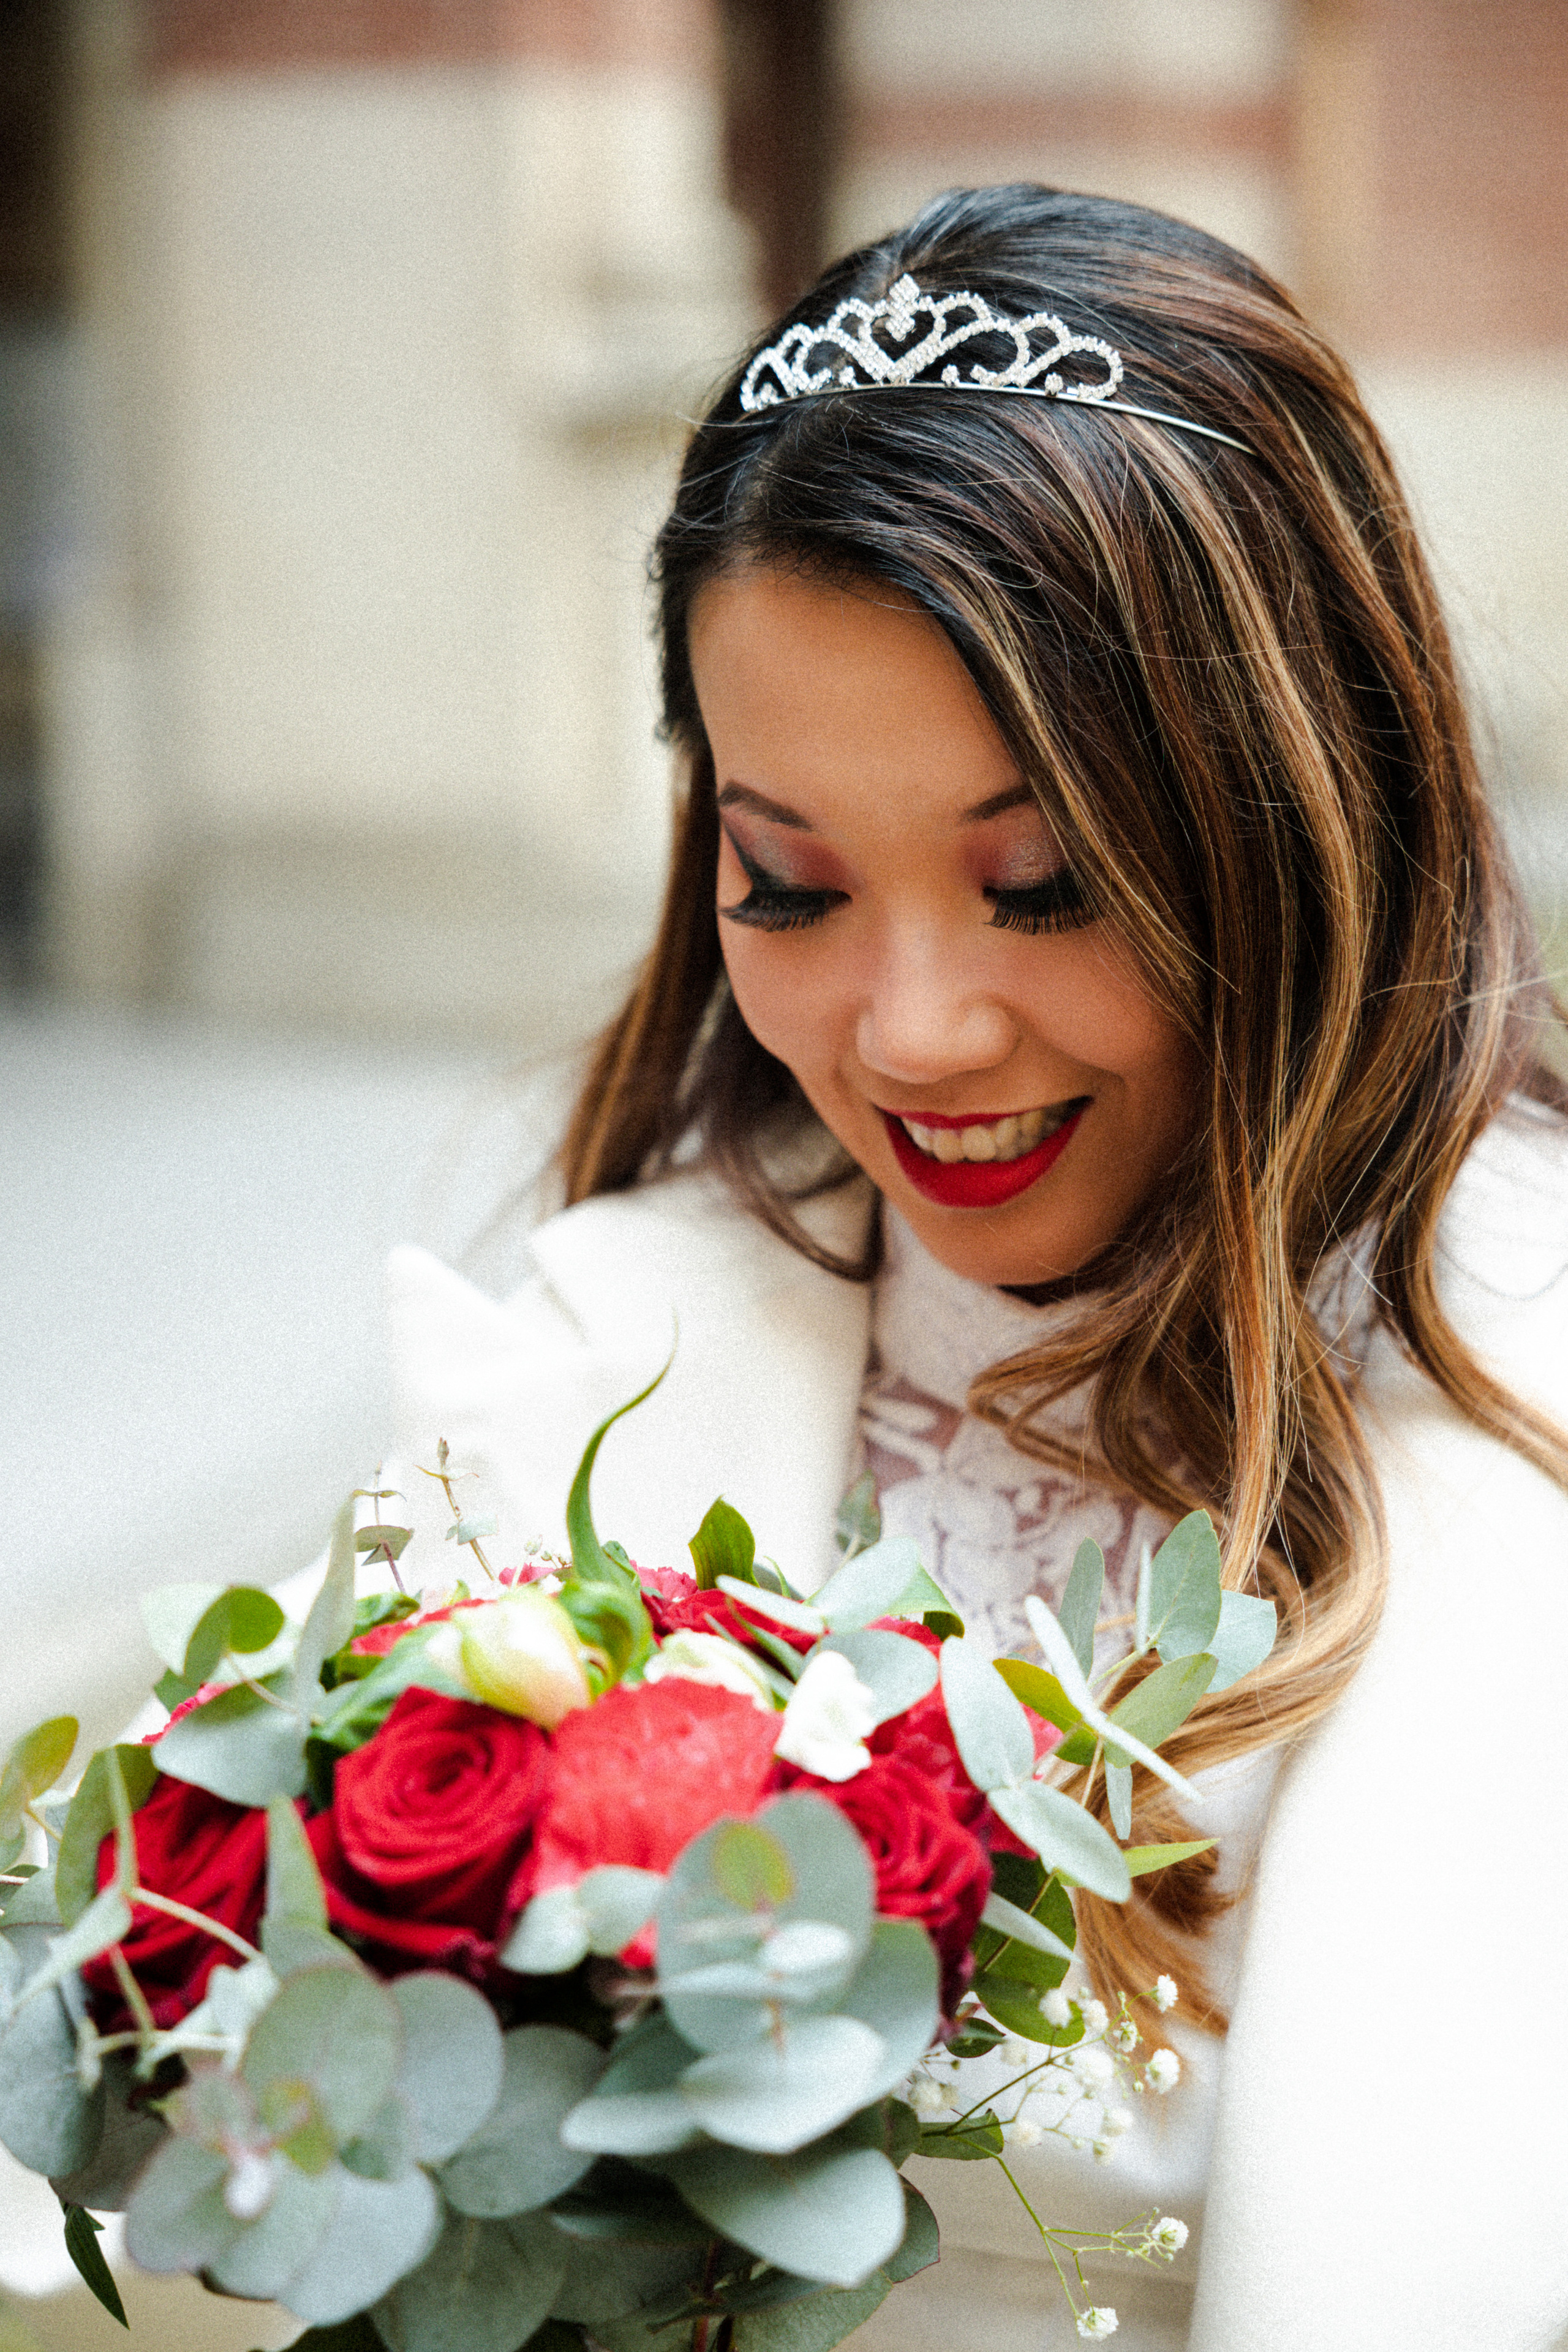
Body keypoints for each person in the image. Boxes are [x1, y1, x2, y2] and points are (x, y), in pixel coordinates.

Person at [382, 186, 1568, 2348]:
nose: (912, 1033)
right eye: (787, 881)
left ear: (1307, 809)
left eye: (1041, 886)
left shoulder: (1530, 1400)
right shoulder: (579, 1361)